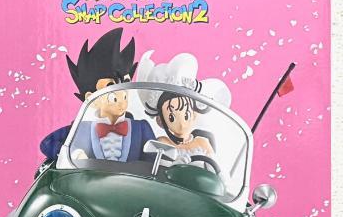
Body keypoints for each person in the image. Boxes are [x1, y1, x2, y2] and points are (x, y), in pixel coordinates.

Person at [40, 29, 153, 163]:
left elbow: (154, 158)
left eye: (125, 90)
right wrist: (73, 154)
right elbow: (47, 143)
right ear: (91, 98)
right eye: (113, 94)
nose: (122, 98)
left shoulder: (141, 128)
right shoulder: (80, 129)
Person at [136, 51, 232, 164]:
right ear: (160, 121)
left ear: (194, 114)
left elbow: (216, 169)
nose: (181, 123)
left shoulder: (202, 143)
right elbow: (157, 167)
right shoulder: (162, 143)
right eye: (171, 117)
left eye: (186, 115)